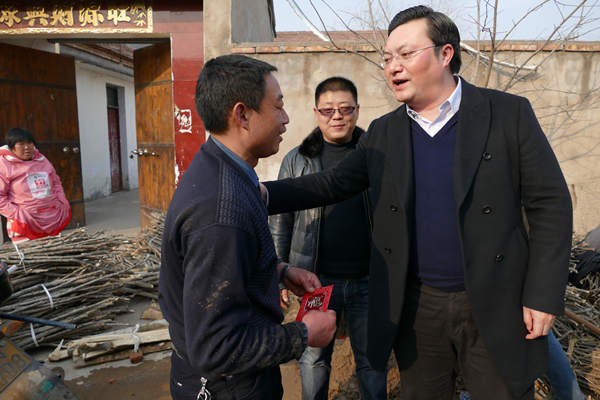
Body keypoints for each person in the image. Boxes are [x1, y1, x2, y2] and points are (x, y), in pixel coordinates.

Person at [263, 5, 572, 400]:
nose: (393, 66)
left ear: (445, 54)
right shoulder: (385, 132)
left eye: (406, 54)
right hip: (418, 308)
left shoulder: (507, 114)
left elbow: (550, 205)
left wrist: (543, 294)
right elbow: (332, 183)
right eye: (387, 58)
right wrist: (262, 193)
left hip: (495, 300)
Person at [158, 54, 337, 400]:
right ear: (241, 114)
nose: (286, 118)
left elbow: (229, 266)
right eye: (278, 106)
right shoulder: (220, 211)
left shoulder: (225, 169)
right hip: (228, 387)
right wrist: (302, 334)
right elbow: (216, 348)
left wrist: (278, 271)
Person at [269, 77, 387, 400]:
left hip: (368, 279)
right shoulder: (297, 160)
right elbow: (281, 222)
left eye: (345, 109)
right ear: (316, 113)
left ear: (357, 111)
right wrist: (279, 273)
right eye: (328, 110)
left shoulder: (376, 156)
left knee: (372, 361)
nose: (337, 116)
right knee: (313, 358)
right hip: (315, 281)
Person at [0, 128, 71, 242]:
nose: (27, 147)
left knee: (54, 251)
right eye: (21, 144)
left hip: (52, 218)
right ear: (12, 147)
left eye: (30, 143)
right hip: (25, 223)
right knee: (31, 253)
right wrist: (17, 215)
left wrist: (62, 202)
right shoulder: (4, 164)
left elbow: (56, 183)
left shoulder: (42, 160)